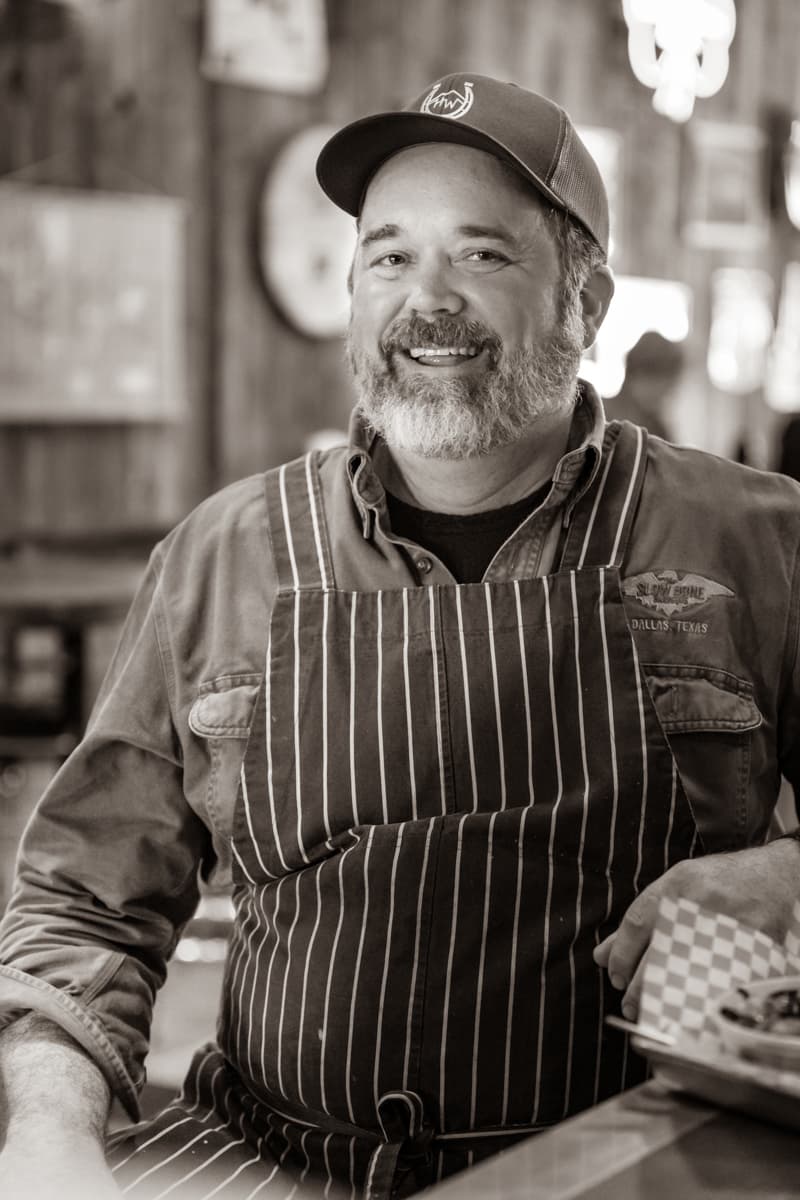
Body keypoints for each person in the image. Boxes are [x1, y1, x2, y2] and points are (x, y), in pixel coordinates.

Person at [0, 71, 799, 1200]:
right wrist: (46, 1143)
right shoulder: (224, 551)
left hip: (632, 1164)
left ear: (589, 302)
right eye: (388, 255)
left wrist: (785, 873)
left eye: (482, 254)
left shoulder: (753, 539)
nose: (427, 299)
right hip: (263, 1159)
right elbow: (84, 899)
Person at [605, 329, 684, 440]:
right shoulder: (601, 417)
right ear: (639, 374)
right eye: (664, 384)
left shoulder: (658, 429)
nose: (667, 394)